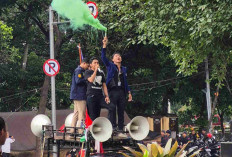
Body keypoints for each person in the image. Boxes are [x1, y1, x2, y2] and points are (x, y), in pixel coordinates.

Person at [101, 36, 132, 132]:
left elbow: (126, 82)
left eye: (119, 56)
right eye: (116, 56)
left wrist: (129, 92)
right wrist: (104, 45)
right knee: (112, 109)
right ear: (113, 60)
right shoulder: (110, 66)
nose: (118, 57)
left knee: (121, 109)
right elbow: (103, 57)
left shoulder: (124, 69)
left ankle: (120, 128)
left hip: (121, 91)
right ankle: (113, 127)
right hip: (112, 90)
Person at [85, 57, 115, 122]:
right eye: (94, 63)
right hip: (91, 96)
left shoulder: (101, 73)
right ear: (90, 64)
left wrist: (107, 96)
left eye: (97, 63)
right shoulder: (88, 72)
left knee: (112, 107)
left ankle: (110, 124)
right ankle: (91, 130)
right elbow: (91, 80)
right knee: (93, 116)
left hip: (100, 96)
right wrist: (95, 70)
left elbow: (104, 85)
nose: (96, 64)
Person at [70, 58, 89, 134]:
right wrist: (86, 79)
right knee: (82, 113)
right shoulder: (79, 70)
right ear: (84, 63)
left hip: (76, 94)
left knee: (76, 113)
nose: (87, 67)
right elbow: (78, 81)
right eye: (87, 65)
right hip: (79, 94)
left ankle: (72, 129)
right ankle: (81, 130)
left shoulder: (79, 70)